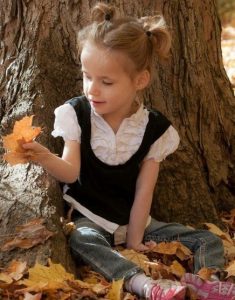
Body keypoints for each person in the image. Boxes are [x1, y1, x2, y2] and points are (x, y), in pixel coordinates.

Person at [23, 3, 235, 299]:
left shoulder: (153, 129)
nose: (92, 89)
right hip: (91, 218)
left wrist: (135, 238)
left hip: (137, 221)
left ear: (140, 81)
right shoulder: (77, 114)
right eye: (87, 76)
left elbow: (144, 190)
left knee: (206, 239)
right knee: (82, 240)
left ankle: (207, 283)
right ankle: (144, 285)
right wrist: (44, 156)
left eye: (106, 82)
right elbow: (71, 171)